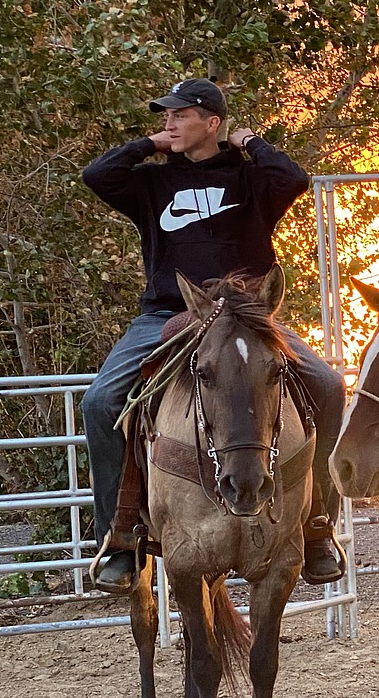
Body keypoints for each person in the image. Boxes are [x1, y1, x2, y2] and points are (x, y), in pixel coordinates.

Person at [81, 77, 346, 591]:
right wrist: (149, 146)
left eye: (180, 116)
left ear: (213, 122)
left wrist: (250, 143)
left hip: (247, 316)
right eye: (166, 117)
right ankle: (120, 537)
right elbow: (97, 174)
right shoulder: (152, 183)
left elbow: (293, 177)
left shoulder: (249, 180)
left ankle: (316, 527)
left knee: (330, 387)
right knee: (99, 402)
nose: (169, 123)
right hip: (167, 313)